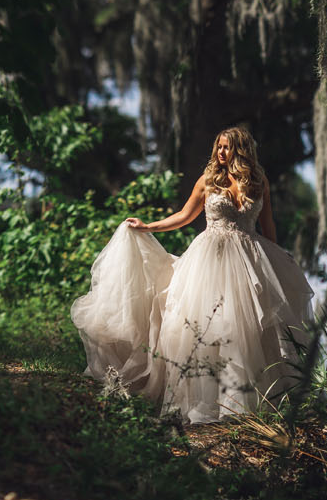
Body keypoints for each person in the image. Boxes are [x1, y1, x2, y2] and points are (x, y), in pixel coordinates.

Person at [71, 126, 313, 423]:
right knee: (208, 326)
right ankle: (207, 402)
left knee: (249, 330)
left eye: (227, 148)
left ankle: (249, 403)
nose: (221, 153)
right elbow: (184, 216)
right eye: (219, 147)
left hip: (251, 259)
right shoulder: (208, 181)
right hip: (210, 260)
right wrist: (148, 227)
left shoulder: (259, 182)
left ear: (241, 150)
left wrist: (278, 260)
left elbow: (268, 224)